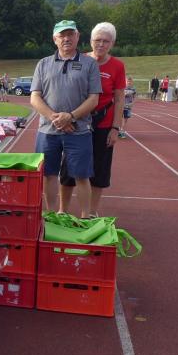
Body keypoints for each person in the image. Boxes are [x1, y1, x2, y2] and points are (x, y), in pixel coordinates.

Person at [30, 20, 101, 218]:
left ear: (77, 37)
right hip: (48, 130)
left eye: (70, 34)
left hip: (79, 130)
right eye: (62, 35)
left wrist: (70, 117)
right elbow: (35, 97)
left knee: (82, 176)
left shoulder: (89, 64)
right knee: (48, 174)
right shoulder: (43, 64)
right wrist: (56, 118)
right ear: (55, 39)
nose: (66, 39)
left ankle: (85, 217)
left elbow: (93, 99)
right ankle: (52, 215)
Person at [59, 22, 125, 218]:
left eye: (106, 41)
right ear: (90, 41)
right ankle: (62, 210)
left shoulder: (117, 66)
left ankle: (91, 212)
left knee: (99, 169)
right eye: (98, 40)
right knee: (69, 167)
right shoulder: (80, 59)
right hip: (77, 121)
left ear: (112, 43)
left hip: (103, 123)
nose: (101, 44)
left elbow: (119, 98)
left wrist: (115, 128)